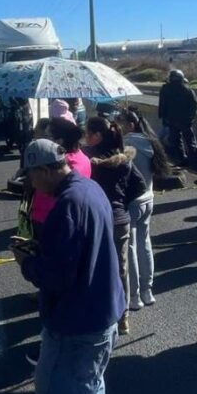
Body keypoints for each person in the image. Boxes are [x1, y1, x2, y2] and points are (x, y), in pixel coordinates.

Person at [12, 139, 124, 394]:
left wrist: (25, 261)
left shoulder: (67, 206)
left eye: (32, 176)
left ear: (47, 170)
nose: (32, 185)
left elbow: (55, 277)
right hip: (104, 314)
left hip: (76, 326)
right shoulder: (90, 188)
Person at [85, 117, 148, 335]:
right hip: (119, 219)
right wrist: (120, 201)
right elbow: (140, 186)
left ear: (97, 136)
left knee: (93, 268)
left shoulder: (89, 160)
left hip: (95, 220)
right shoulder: (124, 159)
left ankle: (99, 313)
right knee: (121, 270)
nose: (85, 137)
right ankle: (123, 319)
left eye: (88, 133)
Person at [117, 110, 169, 311]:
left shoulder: (126, 144)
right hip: (149, 197)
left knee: (129, 248)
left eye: (120, 121)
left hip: (132, 201)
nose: (117, 125)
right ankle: (148, 290)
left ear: (130, 124)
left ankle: (134, 295)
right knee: (145, 243)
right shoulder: (150, 141)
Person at [157, 69, 197, 168]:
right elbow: (195, 104)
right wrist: (191, 118)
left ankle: (181, 159)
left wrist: (163, 117)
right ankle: (195, 161)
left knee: (176, 142)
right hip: (184, 120)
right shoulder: (187, 90)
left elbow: (162, 104)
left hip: (171, 120)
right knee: (190, 141)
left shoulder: (165, 89)